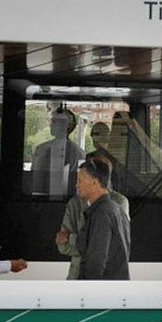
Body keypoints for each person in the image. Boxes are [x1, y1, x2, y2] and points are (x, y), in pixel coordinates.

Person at [55, 151, 130, 279]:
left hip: (100, 290)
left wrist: (69, 237)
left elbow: (96, 258)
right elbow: (91, 244)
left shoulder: (103, 213)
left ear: (95, 182)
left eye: (80, 180)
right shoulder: (111, 208)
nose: (76, 185)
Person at [29, 106, 84, 196]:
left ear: (64, 125)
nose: (50, 125)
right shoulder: (79, 153)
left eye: (54, 121)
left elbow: (36, 178)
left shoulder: (43, 149)